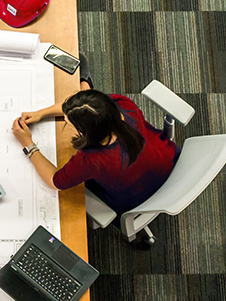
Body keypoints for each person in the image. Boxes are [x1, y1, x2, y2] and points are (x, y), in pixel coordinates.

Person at [11, 89, 180, 225]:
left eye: (69, 124)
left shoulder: (92, 161)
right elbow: (84, 106)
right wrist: (41, 113)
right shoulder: (123, 105)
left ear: (85, 134)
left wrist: (28, 144)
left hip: (135, 197)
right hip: (166, 160)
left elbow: (55, 181)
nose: (67, 125)